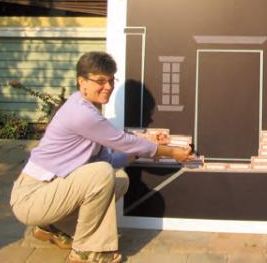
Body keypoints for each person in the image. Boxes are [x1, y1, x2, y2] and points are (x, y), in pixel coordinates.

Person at [10, 51, 194, 263]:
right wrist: (171, 152)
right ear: (82, 82)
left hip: (49, 191)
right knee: (102, 174)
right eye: (100, 81)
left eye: (110, 80)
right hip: (31, 196)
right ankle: (86, 251)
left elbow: (110, 159)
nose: (108, 87)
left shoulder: (89, 110)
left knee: (118, 179)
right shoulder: (81, 113)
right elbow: (123, 142)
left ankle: (52, 225)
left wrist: (142, 146)